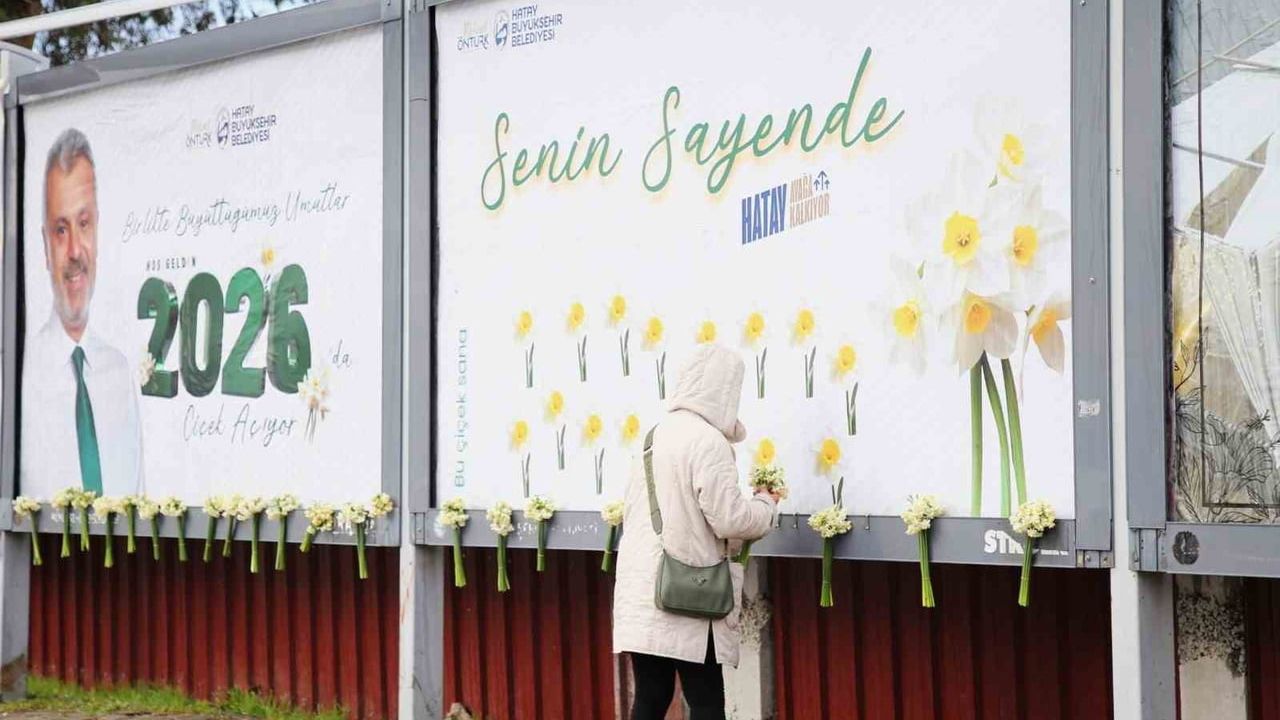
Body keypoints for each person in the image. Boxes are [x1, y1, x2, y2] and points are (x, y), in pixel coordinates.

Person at [613, 343, 778, 720]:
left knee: (651, 697)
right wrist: (766, 505)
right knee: (705, 701)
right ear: (725, 390)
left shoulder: (653, 436)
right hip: (688, 591)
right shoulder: (708, 442)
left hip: (642, 588)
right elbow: (730, 519)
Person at [21, 127, 143, 497]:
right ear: (45, 245)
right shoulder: (19, 378)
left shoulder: (120, 373)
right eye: (61, 230)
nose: (75, 250)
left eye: (84, 224)